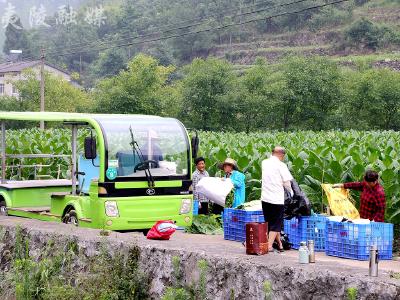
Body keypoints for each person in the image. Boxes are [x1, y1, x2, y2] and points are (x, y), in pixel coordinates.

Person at [261, 146, 293, 253]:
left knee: (269, 222)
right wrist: (292, 193)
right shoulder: (281, 165)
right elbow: (287, 182)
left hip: (265, 198)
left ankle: (279, 244)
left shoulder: (264, 162)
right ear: (282, 155)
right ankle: (269, 246)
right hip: (276, 199)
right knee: (276, 224)